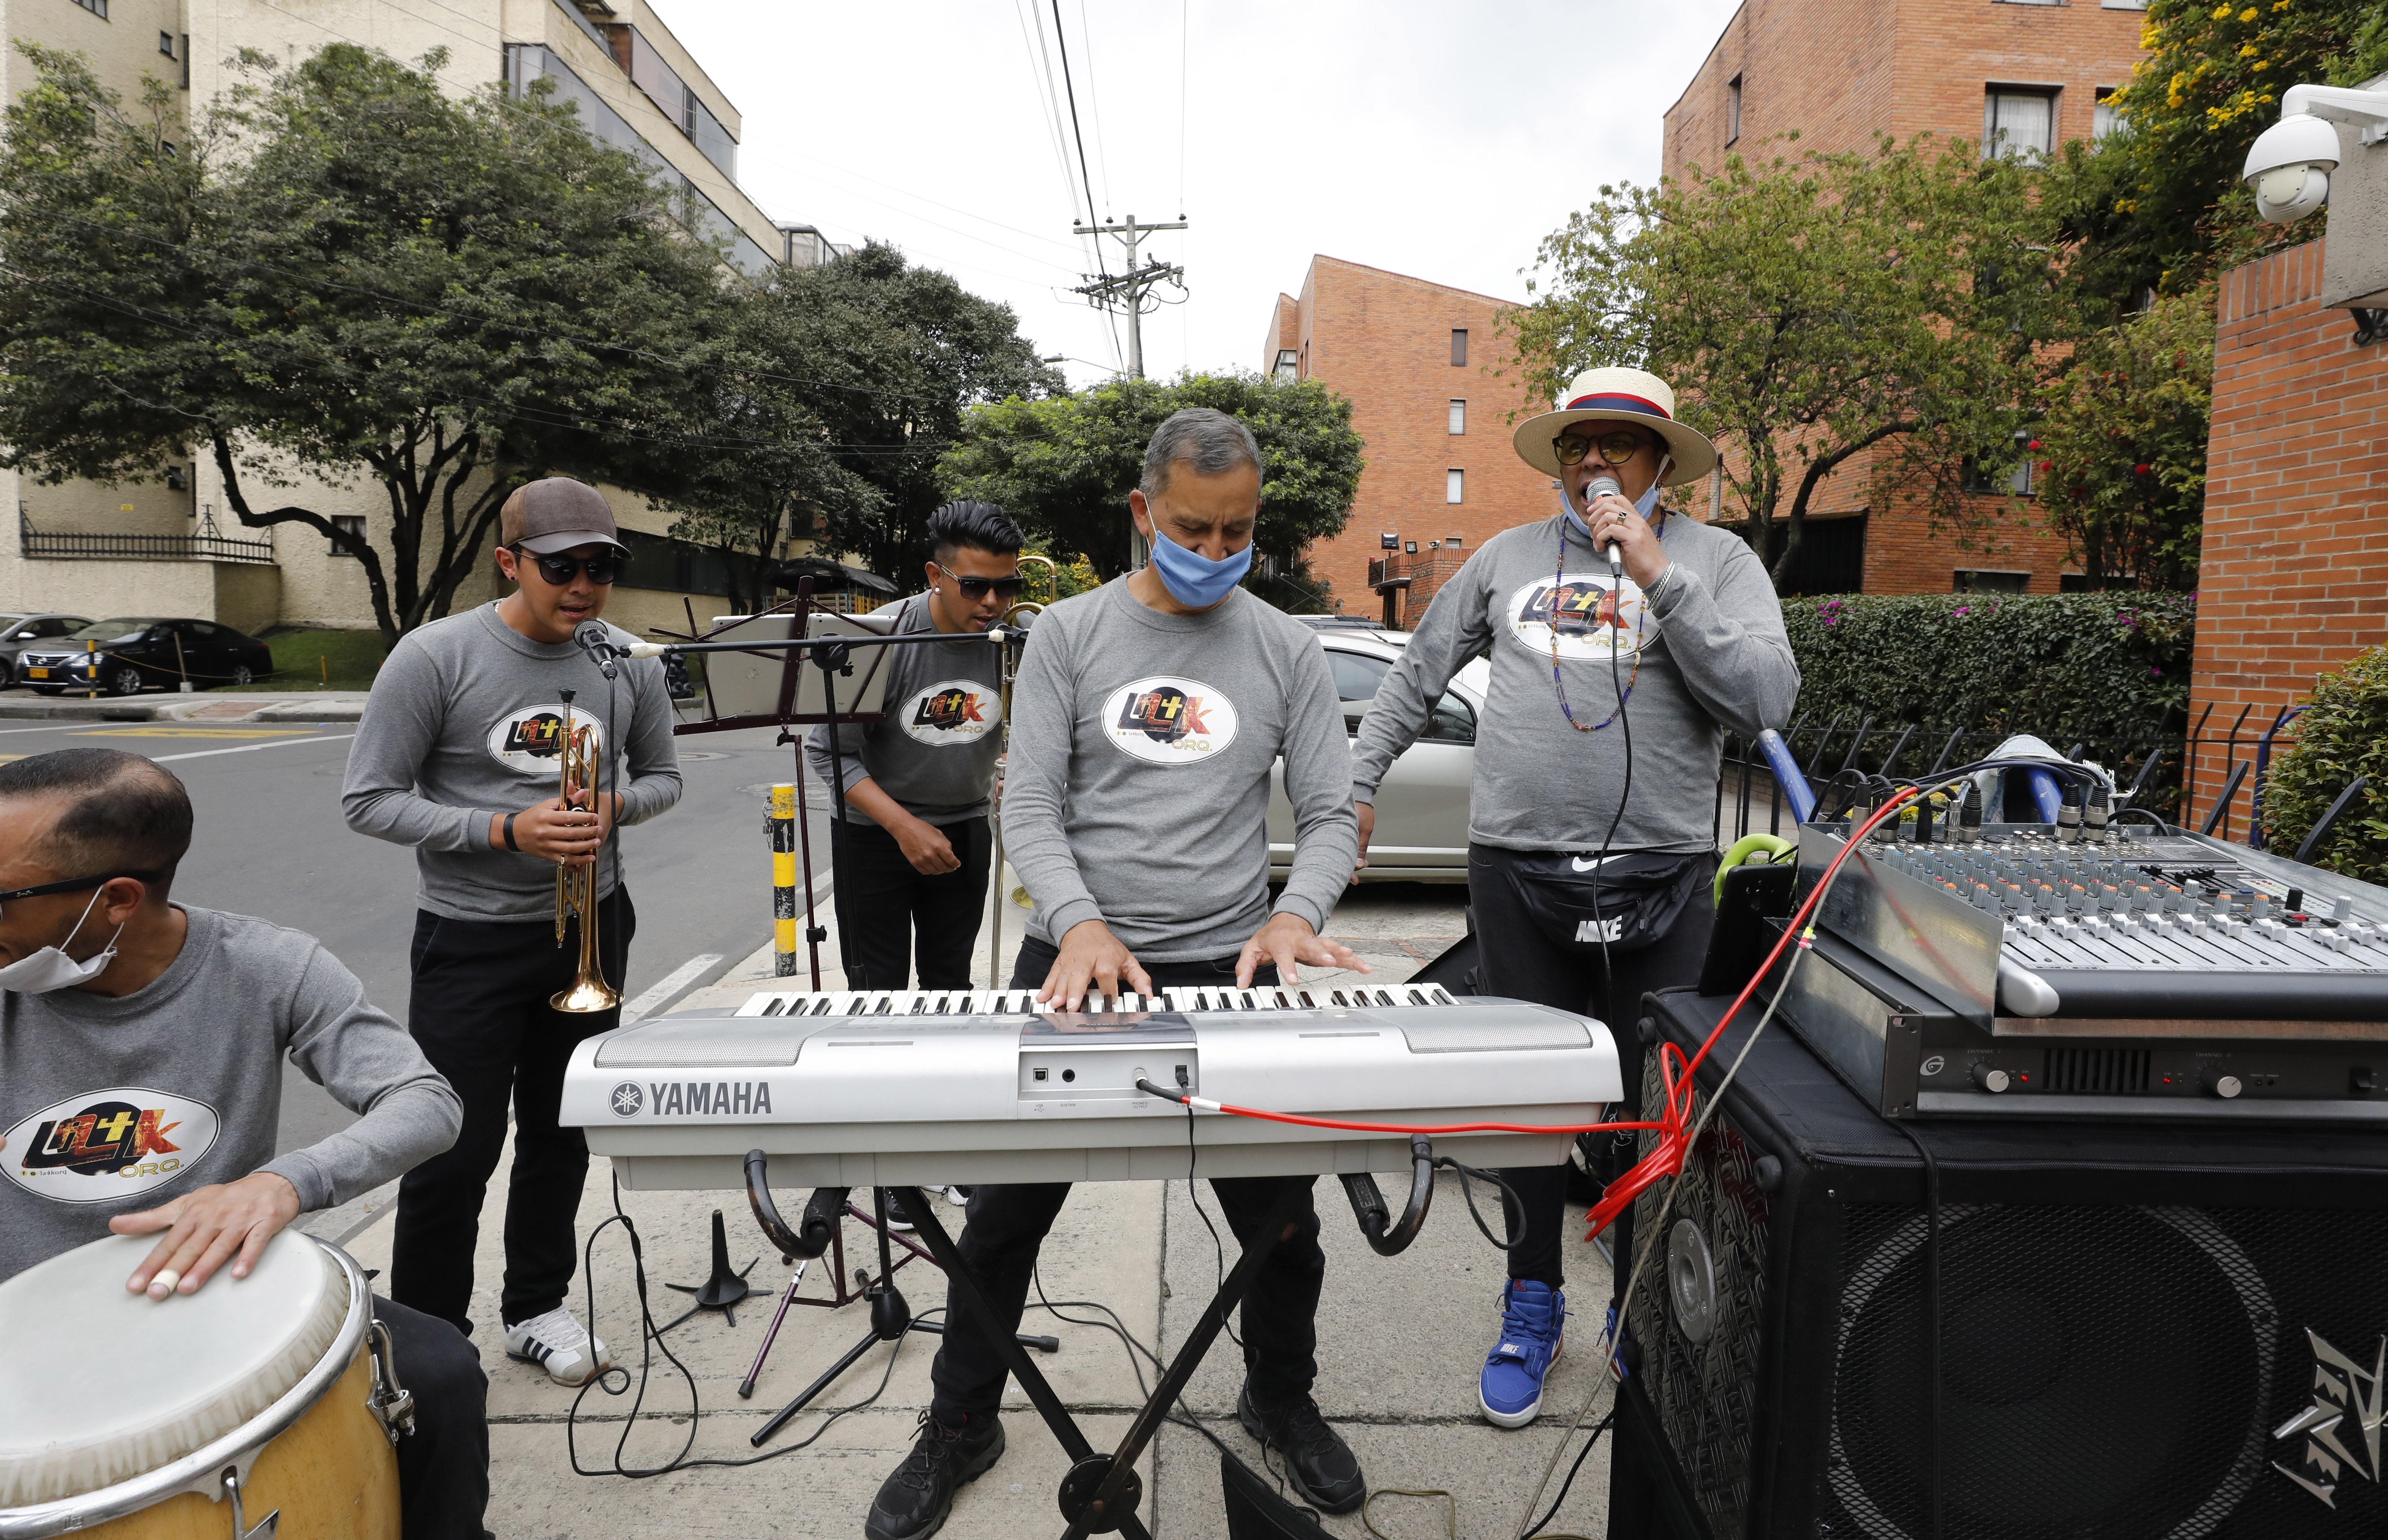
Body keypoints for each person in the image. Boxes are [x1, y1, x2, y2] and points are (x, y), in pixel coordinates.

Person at [862, 409, 1368, 1540]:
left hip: (1234, 963)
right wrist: (1080, 920)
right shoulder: (1072, 636)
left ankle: (1280, 1396)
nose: (1218, 546)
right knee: (1002, 1218)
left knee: (1285, 1223)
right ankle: (961, 1418)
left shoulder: (1286, 646)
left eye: (1239, 528)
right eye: (1194, 524)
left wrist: (1297, 914)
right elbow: (1028, 800)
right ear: (1144, 511)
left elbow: (1334, 810)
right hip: (1081, 961)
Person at [1350, 366, 1797, 1429]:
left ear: (1661, 462)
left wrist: (1659, 576)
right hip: (1520, 869)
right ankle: (1532, 1299)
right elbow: (1416, 675)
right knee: (1524, 1107)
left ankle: (1639, 1309)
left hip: (1668, 871)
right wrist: (1357, 788)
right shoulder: (1505, 558)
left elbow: (1765, 700)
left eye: (1618, 446)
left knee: (1660, 1106)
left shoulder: (1718, 561)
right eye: (1575, 446)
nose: (1592, 464)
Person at [0, 749, 488, 1538]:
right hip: (26, 1321)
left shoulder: (266, 966)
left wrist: (286, 1182)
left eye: (2, 900)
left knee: (439, 1371)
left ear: (116, 898)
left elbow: (425, 1101)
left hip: (219, 1293)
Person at [343, 475, 683, 1385]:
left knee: (560, 1129)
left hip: (591, 926)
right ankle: (429, 1337)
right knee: (450, 1143)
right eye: (561, 566)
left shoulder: (625, 661)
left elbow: (665, 777)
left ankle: (536, 1303)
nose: (583, 585)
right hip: (471, 933)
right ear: (509, 562)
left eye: (602, 567)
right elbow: (369, 800)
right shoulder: (435, 655)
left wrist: (615, 806)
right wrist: (503, 828)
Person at [804, 500, 1023, 991]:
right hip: (873, 835)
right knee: (876, 989)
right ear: (935, 576)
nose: (992, 601)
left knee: (950, 984)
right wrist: (906, 828)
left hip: (965, 828)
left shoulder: (1014, 639)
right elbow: (828, 751)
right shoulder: (879, 638)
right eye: (974, 586)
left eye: (1006, 586)